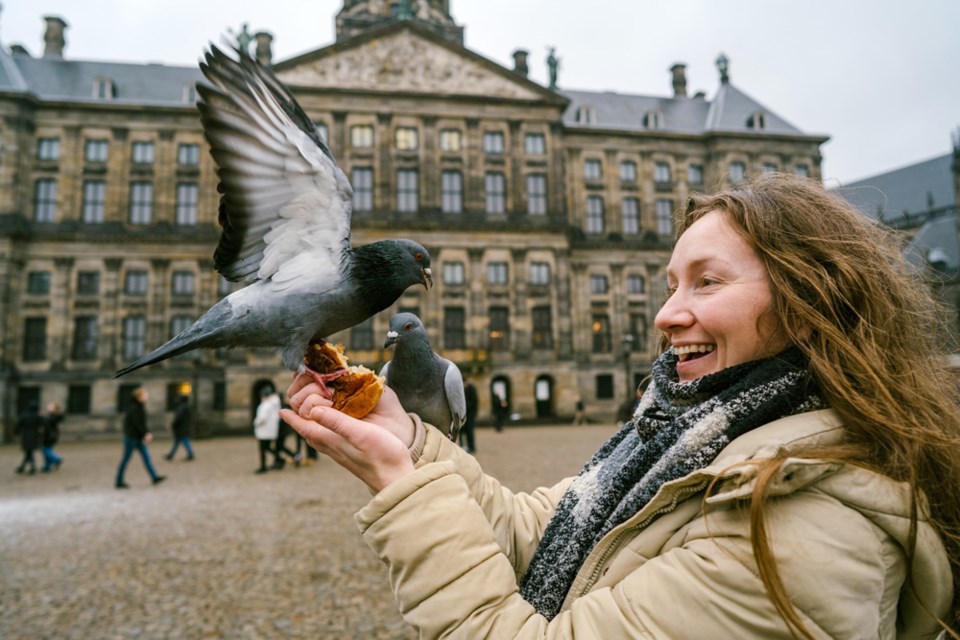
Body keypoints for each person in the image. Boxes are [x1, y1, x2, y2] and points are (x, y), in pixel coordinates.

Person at [282, 174, 960, 638]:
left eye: (707, 282)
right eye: (670, 284)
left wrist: (402, 490)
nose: (666, 315)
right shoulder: (683, 439)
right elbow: (534, 533)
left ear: (809, 305)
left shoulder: (808, 527)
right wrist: (412, 444)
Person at [115, 387, 166, 489]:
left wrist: (145, 433)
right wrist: (146, 433)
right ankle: (119, 481)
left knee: (147, 458)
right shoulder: (135, 407)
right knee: (126, 459)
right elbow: (138, 423)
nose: (147, 397)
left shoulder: (138, 406)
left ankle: (154, 477)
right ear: (139, 396)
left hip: (137, 437)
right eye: (145, 395)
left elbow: (141, 423)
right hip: (132, 438)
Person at [253, 386, 282, 474]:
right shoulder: (274, 404)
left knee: (263, 449)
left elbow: (262, 418)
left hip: (264, 431)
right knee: (268, 447)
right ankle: (279, 459)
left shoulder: (265, 405)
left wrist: (255, 423)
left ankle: (263, 466)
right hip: (271, 430)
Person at [15, 401, 43, 475]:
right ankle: (29, 468)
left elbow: (19, 424)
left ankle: (24, 468)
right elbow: (42, 424)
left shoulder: (24, 415)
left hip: (26, 435)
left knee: (28, 452)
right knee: (29, 452)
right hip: (34, 435)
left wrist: (16, 433)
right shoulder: (37, 416)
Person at [165, 395, 195, 461]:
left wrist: (173, 424)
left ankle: (190, 454)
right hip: (183, 428)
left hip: (181, 428)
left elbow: (178, 418)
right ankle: (170, 455)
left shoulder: (182, 407)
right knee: (177, 442)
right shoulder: (186, 407)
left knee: (184, 441)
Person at [41, 401, 64, 472]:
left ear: (54, 409)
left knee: (45, 449)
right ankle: (47, 466)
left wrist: (44, 416)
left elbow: (48, 423)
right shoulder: (50, 416)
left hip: (50, 435)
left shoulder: (54, 416)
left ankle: (56, 459)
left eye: (51, 406)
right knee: (48, 449)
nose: (48, 407)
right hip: (48, 435)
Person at [458, 376, 478, 453]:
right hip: (462, 414)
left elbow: (474, 402)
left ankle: (471, 446)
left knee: (469, 431)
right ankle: (462, 446)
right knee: (461, 431)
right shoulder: (461, 388)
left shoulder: (471, 388)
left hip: (469, 414)